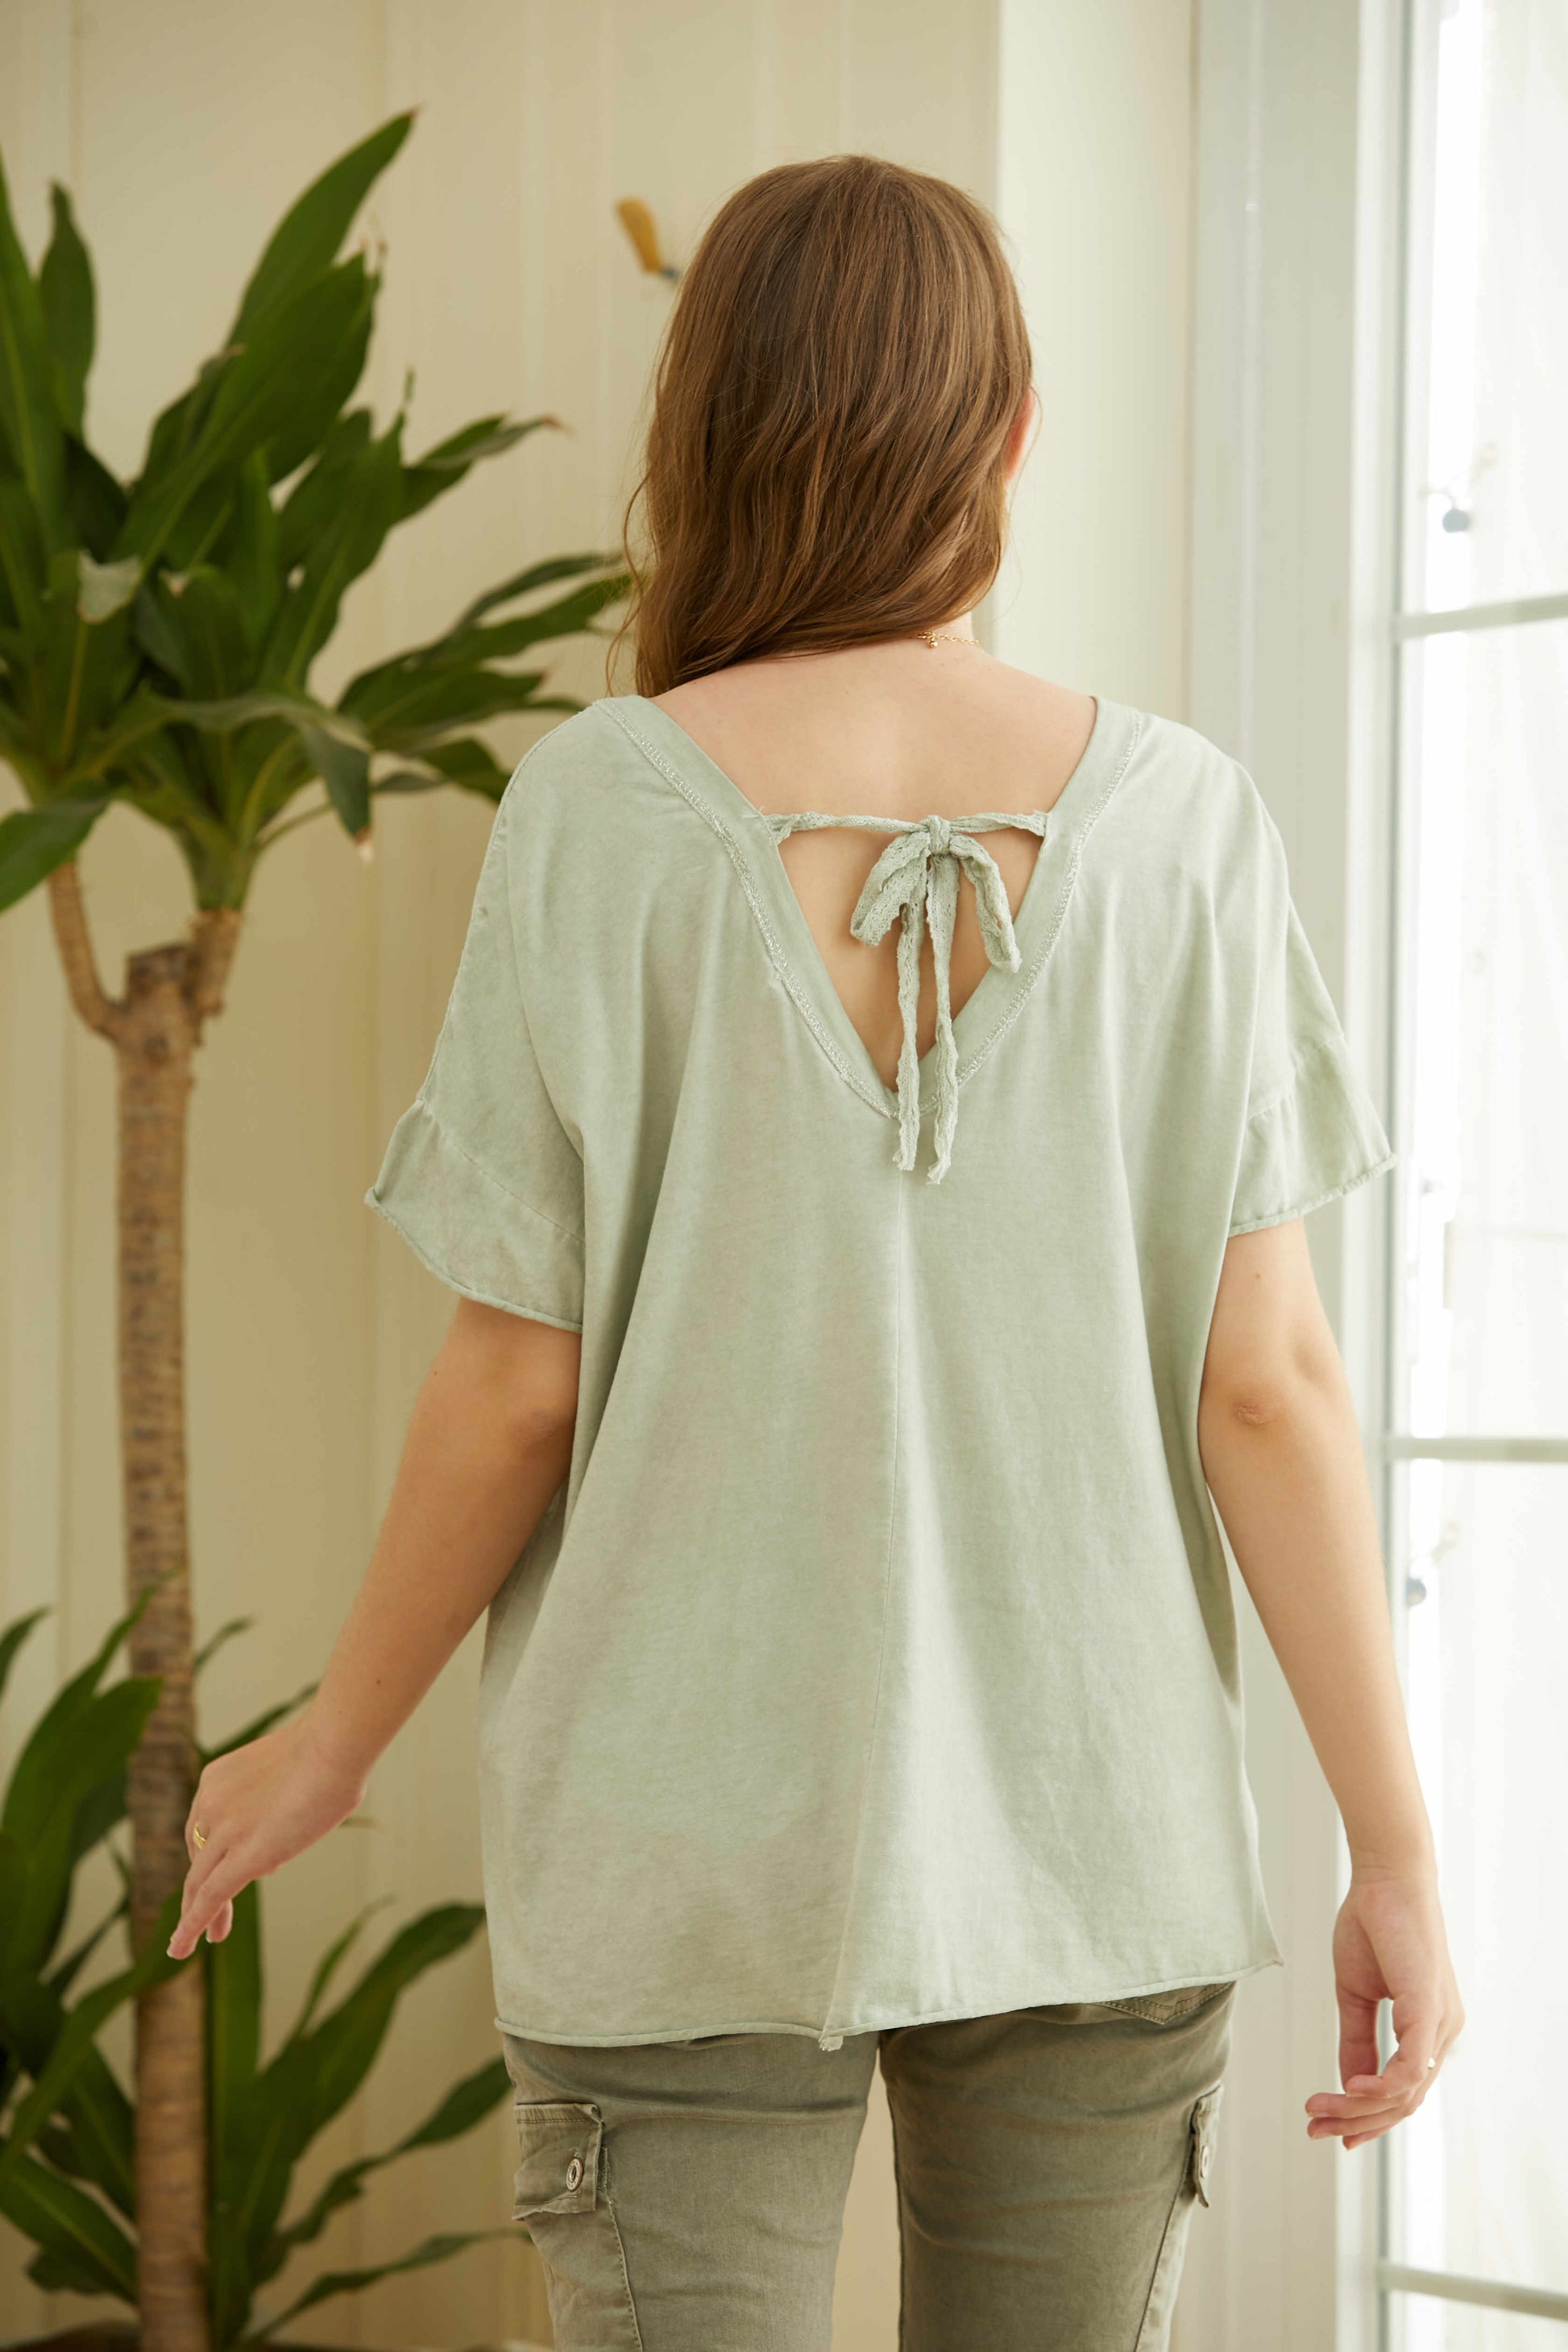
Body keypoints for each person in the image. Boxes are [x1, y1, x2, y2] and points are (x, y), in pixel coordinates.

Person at [172, 155, 1462, 2350]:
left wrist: (333, 1743)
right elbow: (1267, 1389)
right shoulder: (1183, 826)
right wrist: (1392, 1851)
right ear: (1009, 434)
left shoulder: (601, 805)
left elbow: (514, 1382)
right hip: (1095, 1828)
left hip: (673, 1843)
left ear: (704, 438)